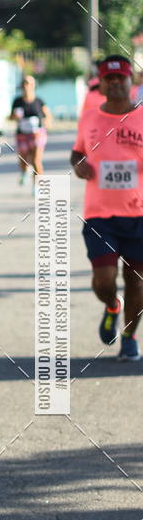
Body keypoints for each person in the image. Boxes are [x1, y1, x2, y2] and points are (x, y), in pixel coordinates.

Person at [71, 54, 143, 361]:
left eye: (120, 78)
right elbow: (77, 153)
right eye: (108, 78)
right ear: (101, 82)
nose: (114, 83)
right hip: (100, 213)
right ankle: (112, 305)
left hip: (139, 213)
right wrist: (79, 164)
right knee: (103, 280)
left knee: (137, 283)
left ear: (130, 81)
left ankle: (129, 335)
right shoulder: (89, 118)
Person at [10, 75, 52, 189]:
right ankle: (24, 172)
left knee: (36, 161)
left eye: (28, 83)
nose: (26, 86)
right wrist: (14, 116)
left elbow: (48, 116)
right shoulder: (17, 101)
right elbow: (10, 117)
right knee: (23, 160)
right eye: (24, 83)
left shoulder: (39, 101)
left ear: (33, 86)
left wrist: (46, 123)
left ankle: (37, 186)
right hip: (22, 135)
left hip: (37, 135)